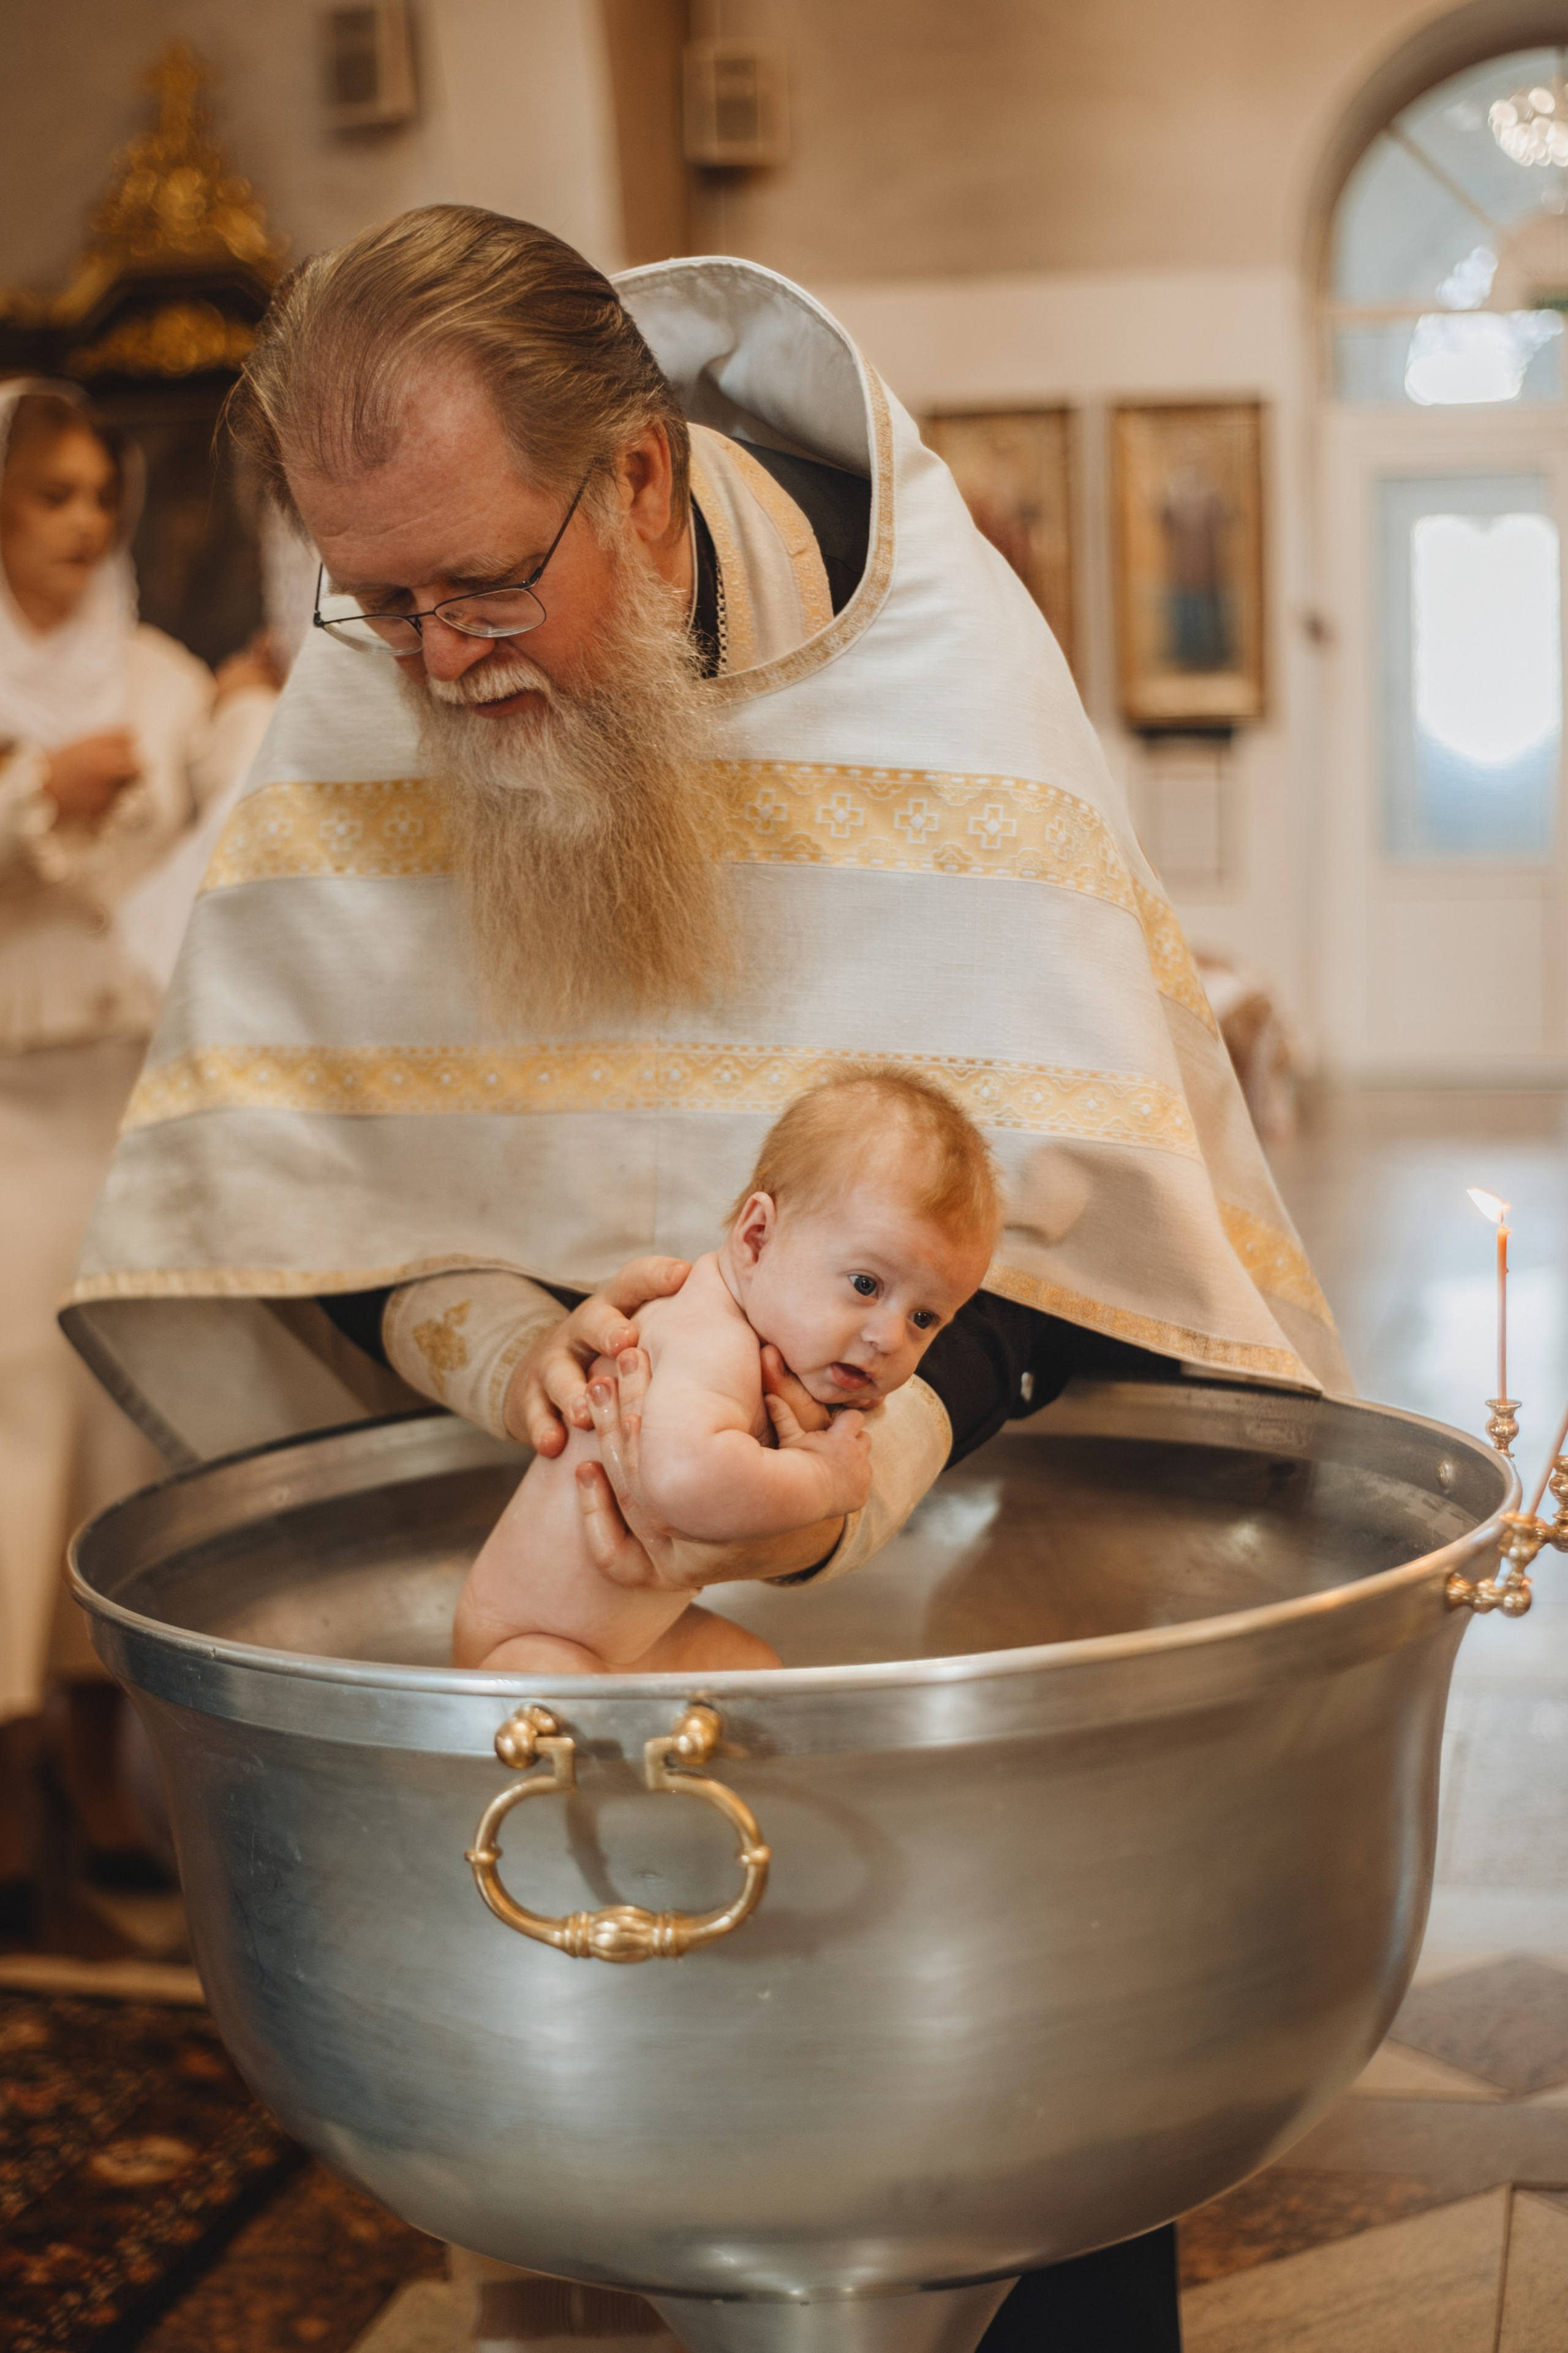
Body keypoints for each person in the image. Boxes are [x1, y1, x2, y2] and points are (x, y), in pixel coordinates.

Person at [67, 208, 1350, 2347]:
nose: (438, 660)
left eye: (485, 583)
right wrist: (501, 1353)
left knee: (1015, 2142)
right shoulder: (381, 683)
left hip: (959, 1602)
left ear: (640, 479)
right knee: (595, 2199)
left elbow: (1105, 1212)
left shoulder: (947, 676)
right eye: (374, 602)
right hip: (574, 1622)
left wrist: (868, 1424)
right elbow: (300, 1188)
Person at [0, 382, 278, 1925]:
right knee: (5, 1461)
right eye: (52, 494)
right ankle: (5, 1779)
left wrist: (248, 702)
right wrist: (33, 791)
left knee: (116, 1442)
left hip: (127, 1111)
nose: (89, 521)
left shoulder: (163, 674)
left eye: (100, 492)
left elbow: (220, 819)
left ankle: (101, 1771)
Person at [454, 1067, 999, 1675]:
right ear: (757, 1237)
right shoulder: (706, 1332)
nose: (888, 1338)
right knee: (567, 1708)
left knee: (754, 1672)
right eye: (866, 1285)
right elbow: (685, 1481)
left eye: (924, 1317)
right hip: (531, 1643)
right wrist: (825, 1482)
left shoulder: (779, 1342)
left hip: (630, 1636)